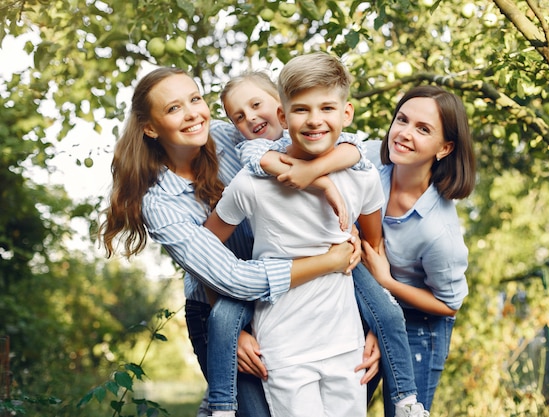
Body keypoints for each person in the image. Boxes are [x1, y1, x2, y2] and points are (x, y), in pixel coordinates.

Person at [98, 66, 366, 417]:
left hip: (295, 295)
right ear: (150, 127)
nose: (193, 113)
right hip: (218, 306)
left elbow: (305, 158)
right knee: (257, 411)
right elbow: (231, 278)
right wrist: (331, 260)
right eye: (174, 108)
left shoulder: (229, 136)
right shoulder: (157, 202)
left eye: (195, 99)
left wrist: (346, 224)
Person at [227, 72, 430, 417]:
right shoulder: (252, 159)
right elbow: (269, 166)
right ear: (285, 114)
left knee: (387, 313)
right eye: (239, 116)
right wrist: (320, 182)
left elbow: (353, 158)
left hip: (341, 322)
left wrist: (373, 324)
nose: (250, 118)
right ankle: (220, 406)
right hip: (280, 322)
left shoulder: (354, 162)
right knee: (223, 319)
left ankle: (406, 400)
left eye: (255, 104)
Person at [205, 51, 386, 417]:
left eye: (327, 109)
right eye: (302, 110)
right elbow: (206, 250)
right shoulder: (251, 183)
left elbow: (374, 246)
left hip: (346, 345)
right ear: (284, 117)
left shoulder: (362, 175)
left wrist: (376, 326)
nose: (315, 120)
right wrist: (228, 323)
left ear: (346, 113)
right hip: (284, 347)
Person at [360, 85, 477, 415]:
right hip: (374, 308)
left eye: (422, 129)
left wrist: (388, 281)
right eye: (402, 120)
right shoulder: (369, 164)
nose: (404, 134)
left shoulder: (438, 231)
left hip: (421, 324)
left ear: (445, 147)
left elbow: (449, 305)